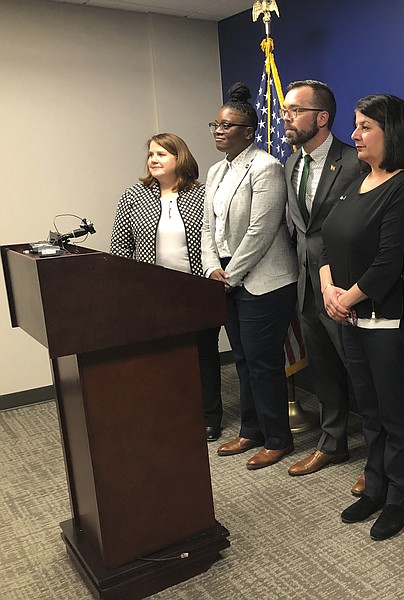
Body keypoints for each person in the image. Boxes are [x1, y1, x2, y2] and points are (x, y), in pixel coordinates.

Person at [320, 94, 404, 541]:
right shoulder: (353, 181)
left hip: (383, 320)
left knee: (396, 413)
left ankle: (400, 495)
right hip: (350, 320)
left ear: (391, 132)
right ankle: (375, 485)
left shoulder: (403, 185)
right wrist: (328, 290)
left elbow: (389, 262)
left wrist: (348, 299)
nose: (355, 135)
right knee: (371, 411)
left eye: (365, 127)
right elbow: (326, 243)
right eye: (356, 126)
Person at [202, 83, 298, 470]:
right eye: (216, 124)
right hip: (225, 277)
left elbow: (262, 230)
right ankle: (251, 430)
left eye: (228, 125)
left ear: (249, 130)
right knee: (241, 358)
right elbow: (208, 226)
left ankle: (278, 438)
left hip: (264, 280)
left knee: (263, 361)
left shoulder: (267, 167)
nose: (219, 131)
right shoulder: (214, 171)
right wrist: (212, 267)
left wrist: (231, 275)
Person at [110, 133, 223, 442]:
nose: (153, 159)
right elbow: (121, 246)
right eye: (151, 154)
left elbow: (216, 238)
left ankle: (210, 416)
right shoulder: (135, 195)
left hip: (197, 291)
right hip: (153, 295)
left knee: (204, 355)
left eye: (161, 154)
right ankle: (171, 412)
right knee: (163, 357)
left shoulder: (202, 194)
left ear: (179, 158)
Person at [281, 80, 363, 491]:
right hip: (306, 287)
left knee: (362, 373)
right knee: (325, 370)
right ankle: (333, 443)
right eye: (284, 109)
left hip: (347, 289)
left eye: (295, 110)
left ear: (322, 117)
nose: (286, 117)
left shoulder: (355, 162)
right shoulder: (292, 164)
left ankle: (384, 457)